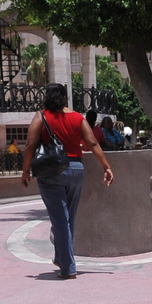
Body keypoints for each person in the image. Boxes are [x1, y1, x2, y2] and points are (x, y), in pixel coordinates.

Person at [22, 83, 113, 279]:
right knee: (67, 219)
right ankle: (60, 257)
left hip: (51, 172)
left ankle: (68, 267)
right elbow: (92, 143)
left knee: (60, 220)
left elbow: (29, 144)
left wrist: (25, 170)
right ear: (65, 98)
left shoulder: (42, 116)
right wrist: (106, 166)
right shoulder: (78, 117)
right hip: (76, 170)